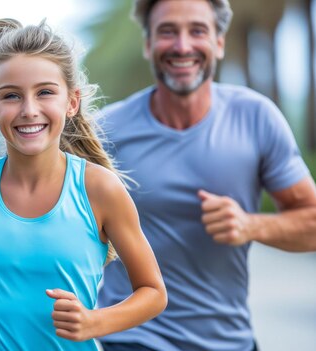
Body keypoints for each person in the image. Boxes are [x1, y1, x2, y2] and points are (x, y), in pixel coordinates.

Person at [0, 18, 167, 351]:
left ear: (71, 102)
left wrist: (95, 322)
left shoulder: (100, 190)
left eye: (45, 92)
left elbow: (153, 292)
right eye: (11, 96)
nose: (29, 110)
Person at [96, 1, 316, 351]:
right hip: (128, 340)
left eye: (197, 30)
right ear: (148, 44)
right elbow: (45, 208)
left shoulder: (257, 117)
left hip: (228, 342)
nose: (183, 46)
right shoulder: (106, 130)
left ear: (219, 42)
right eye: (168, 31)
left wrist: (251, 226)